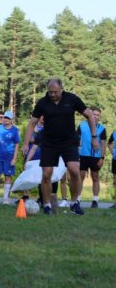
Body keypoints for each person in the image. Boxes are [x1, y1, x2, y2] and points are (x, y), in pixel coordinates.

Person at [22, 78, 98, 215]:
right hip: (49, 143)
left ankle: (74, 203)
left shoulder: (72, 99)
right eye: (50, 92)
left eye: (55, 92)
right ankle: (46, 205)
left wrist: (94, 137)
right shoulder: (42, 102)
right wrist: (26, 143)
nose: (52, 94)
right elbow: (32, 123)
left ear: (62, 89)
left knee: (75, 171)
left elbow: (90, 116)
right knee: (46, 174)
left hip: (69, 142)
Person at [77, 107, 106, 208]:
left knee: (95, 177)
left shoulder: (102, 129)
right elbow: (77, 141)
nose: (96, 116)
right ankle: (78, 198)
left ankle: (95, 200)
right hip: (82, 155)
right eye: (94, 114)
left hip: (95, 156)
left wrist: (102, 158)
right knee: (80, 177)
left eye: (98, 115)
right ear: (89, 114)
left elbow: (103, 144)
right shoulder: (81, 126)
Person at [0, 111, 20, 205]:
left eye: (8, 118)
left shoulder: (15, 130)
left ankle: (6, 198)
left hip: (9, 156)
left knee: (8, 176)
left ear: (11, 120)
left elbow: (17, 144)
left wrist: (14, 158)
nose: (5, 119)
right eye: (5, 118)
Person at [108, 130, 116, 209]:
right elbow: (109, 143)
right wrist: (113, 152)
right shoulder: (114, 133)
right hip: (115, 159)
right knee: (115, 181)